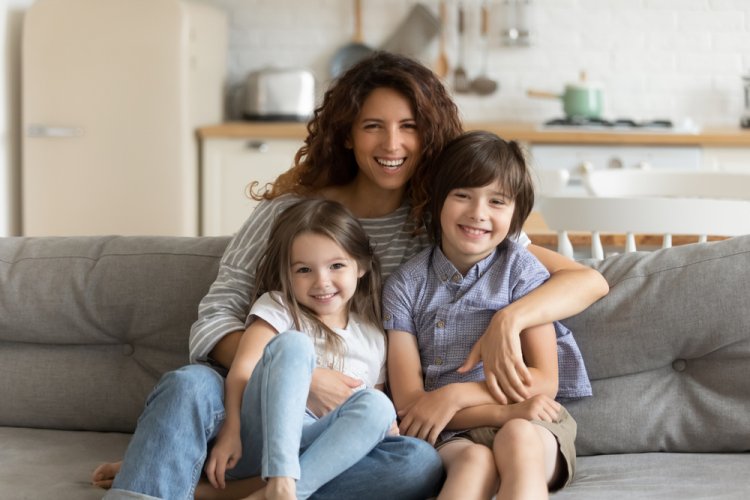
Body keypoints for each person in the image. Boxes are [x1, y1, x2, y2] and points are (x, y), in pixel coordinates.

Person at [93, 51, 607, 499]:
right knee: (187, 386)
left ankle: (212, 485)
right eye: (373, 126)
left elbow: (583, 280)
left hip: (356, 426)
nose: (392, 143)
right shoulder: (290, 213)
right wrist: (300, 377)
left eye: (409, 126)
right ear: (346, 135)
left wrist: (507, 322)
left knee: (417, 463)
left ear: (430, 135)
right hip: (262, 399)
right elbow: (216, 314)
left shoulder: (447, 219)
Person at [384, 131, 592, 499]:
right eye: (462, 195)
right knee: (474, 462)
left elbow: (544, 383)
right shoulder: (404, 286)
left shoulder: (523, 272)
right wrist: (496, 412)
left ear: (516, 216)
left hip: (532, 421)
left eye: (497, 201)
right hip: (454, 432)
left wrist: (454, 396)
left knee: (517, 436)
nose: (478, 213)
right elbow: (412, 406)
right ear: (436, 202)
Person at [205, 198, 399, 500]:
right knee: (294, 344)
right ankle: (280, 480)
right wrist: (231, 429)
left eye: (336, 266)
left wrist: (385, 427)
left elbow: (371, 407)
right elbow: (243, 371)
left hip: (323, 449)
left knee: (385, 412)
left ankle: (277, 493)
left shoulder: (374, 335)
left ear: (360, 266)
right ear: (286, 274)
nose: (322, 282)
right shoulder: (278, 307)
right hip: (264, 437)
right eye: (304, 270)